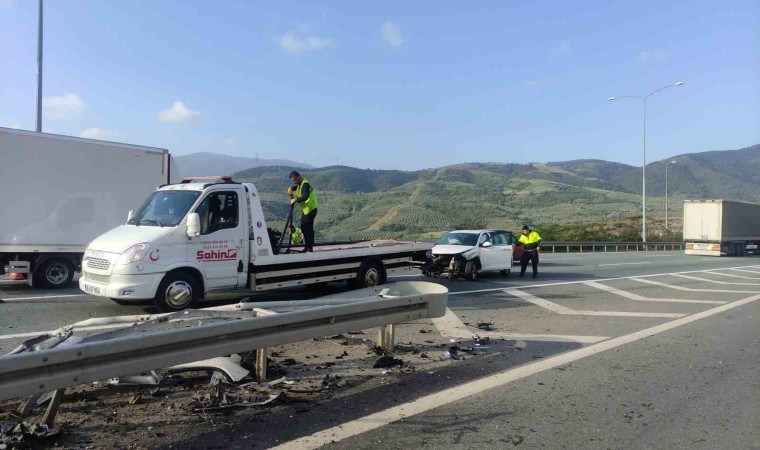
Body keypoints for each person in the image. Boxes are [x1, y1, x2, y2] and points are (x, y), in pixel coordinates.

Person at [288, 171, 319, 252]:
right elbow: (298, 188)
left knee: (307, 228)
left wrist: (295, 200)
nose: (294, 182)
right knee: (304, 227)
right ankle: (307, 247)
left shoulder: (305, 184)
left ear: (298, 176)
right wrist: (291, 189)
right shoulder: (300, 184)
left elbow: (305, 196)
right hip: (306, 209)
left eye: (295, 180)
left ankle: (309, 247)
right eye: (293, 181)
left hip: (310, 208)